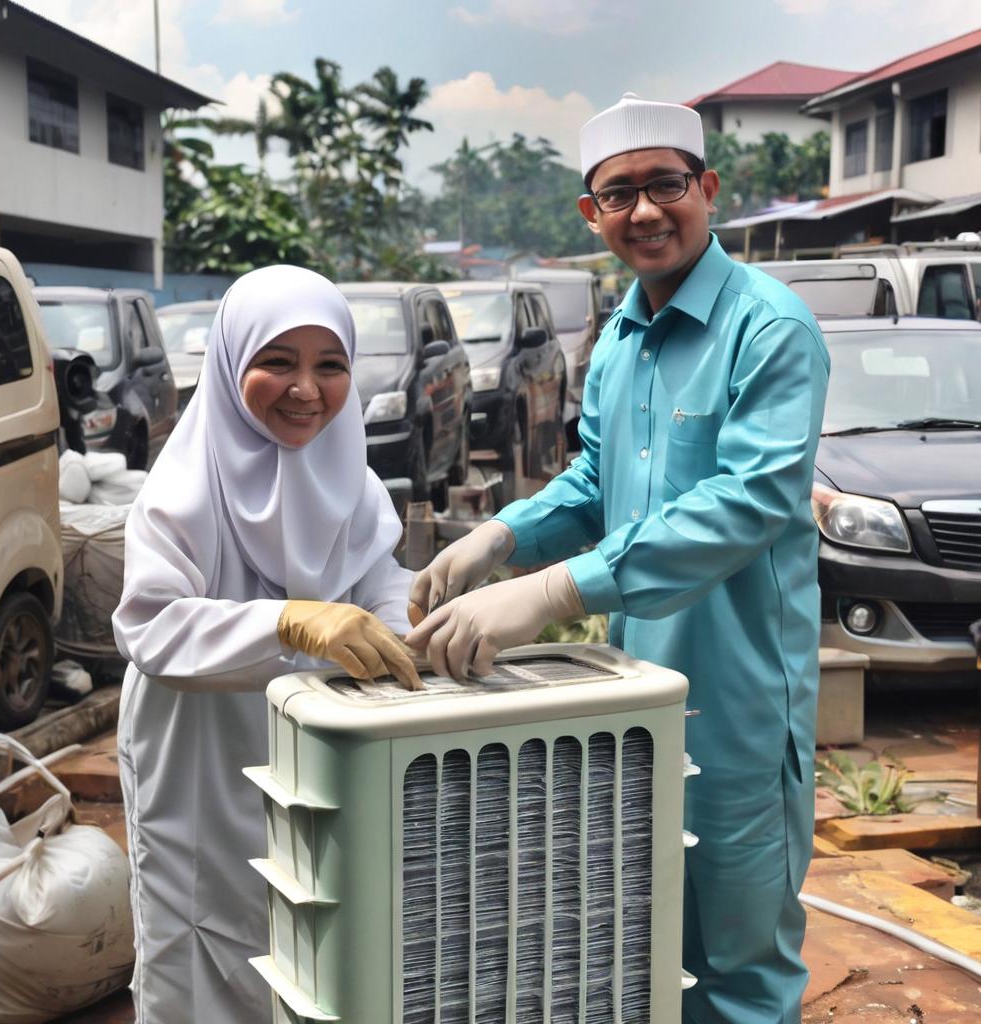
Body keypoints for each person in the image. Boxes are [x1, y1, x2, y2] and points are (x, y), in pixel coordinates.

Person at [406, 95, 830, 1023]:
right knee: (633, 949)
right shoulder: (617, 341)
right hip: (631, 702)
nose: (645, 212)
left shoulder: (771, 329)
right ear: (589, 214)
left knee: (740, 971)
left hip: (740, 714)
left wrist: (556, 589)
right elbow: (597, 479)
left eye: (666, 185)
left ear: (707, 189)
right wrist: (503, 536)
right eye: (619, 194)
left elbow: (749, 501)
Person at [113, 266, 421, 1024]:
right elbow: (150, 625)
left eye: (331, 366)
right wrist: (286, 622)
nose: (306, 390)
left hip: (328, 762)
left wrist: (419, 627)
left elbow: (381, 586)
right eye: (278, 362)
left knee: (324, 946)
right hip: (202, 768)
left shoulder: (357, 486)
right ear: (228, 364)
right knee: (205, 949)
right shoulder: (181, 492)